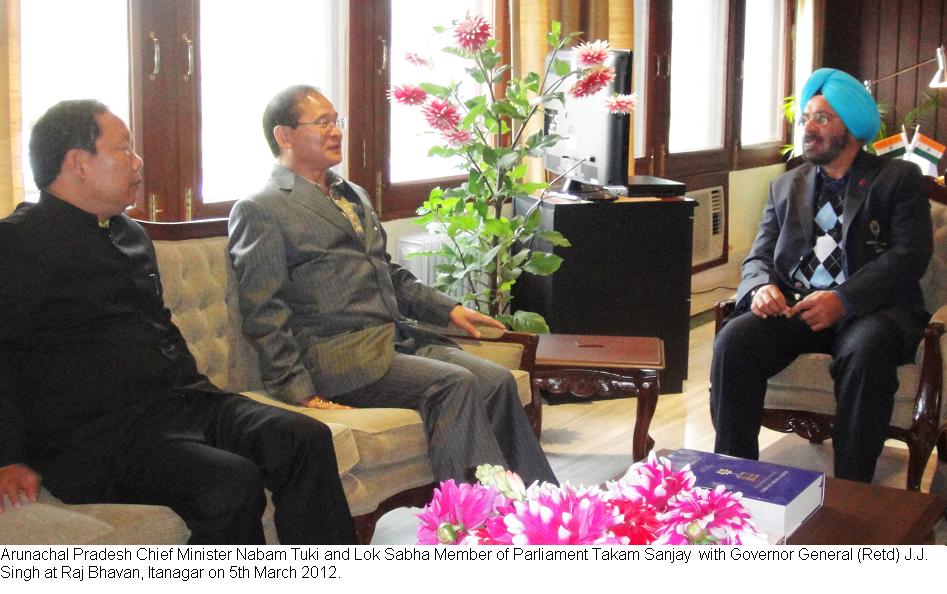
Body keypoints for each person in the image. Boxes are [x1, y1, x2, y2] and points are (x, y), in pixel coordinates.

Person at [0, 99, 356, 544]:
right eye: (124, 149)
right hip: (95, 437)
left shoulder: (129, 233)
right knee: (231, 482)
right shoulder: (17, 243)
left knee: (303, 438)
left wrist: (199, 391)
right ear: (78, 164)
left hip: (180, 403)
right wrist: (7, 457)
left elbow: (159, 326)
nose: (138, 161)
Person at [228, 84, 557, 485]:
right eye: (323, 122)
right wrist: (297, 389)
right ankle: (470, 524)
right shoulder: (261, 208)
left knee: (497, 381)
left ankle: (539, 511)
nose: (336, 131)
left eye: (338, 121)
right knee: (453, 383)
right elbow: (264, 310)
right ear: (284, 135)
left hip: (394, 341)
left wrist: (447, 308)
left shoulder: (354, 195)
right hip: (336, 359)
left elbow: (387, 271)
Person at [711, 68, 933, 483]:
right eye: (805, 118)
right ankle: (733, 480)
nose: (808, 128)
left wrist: (844, 299)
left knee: (865, 352)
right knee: (734, 341)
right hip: (800, 308)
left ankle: (852, 487)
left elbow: (909, 257)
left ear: (852, 126)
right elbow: (758, 255)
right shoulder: (786, 186)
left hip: (873, 312)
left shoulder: (897, 179)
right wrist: (760, 287)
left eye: (822, 118)